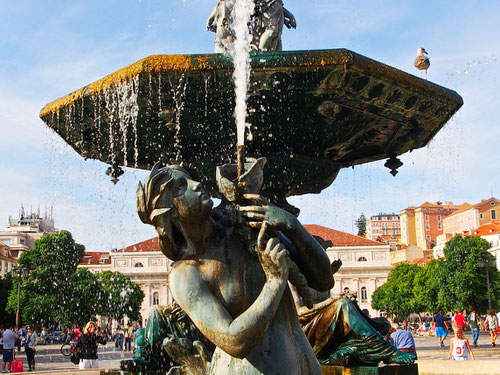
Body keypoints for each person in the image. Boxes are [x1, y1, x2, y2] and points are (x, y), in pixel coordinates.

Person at [136, 163, 413, 374]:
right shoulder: (186, 274)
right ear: (169, 213)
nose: (198, 184)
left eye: (192, 178)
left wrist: (290, 224)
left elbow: (322, 279)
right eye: (183, 186)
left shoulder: (243, 223)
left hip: (305, 365)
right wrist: (275, 281)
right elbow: (233, 340)